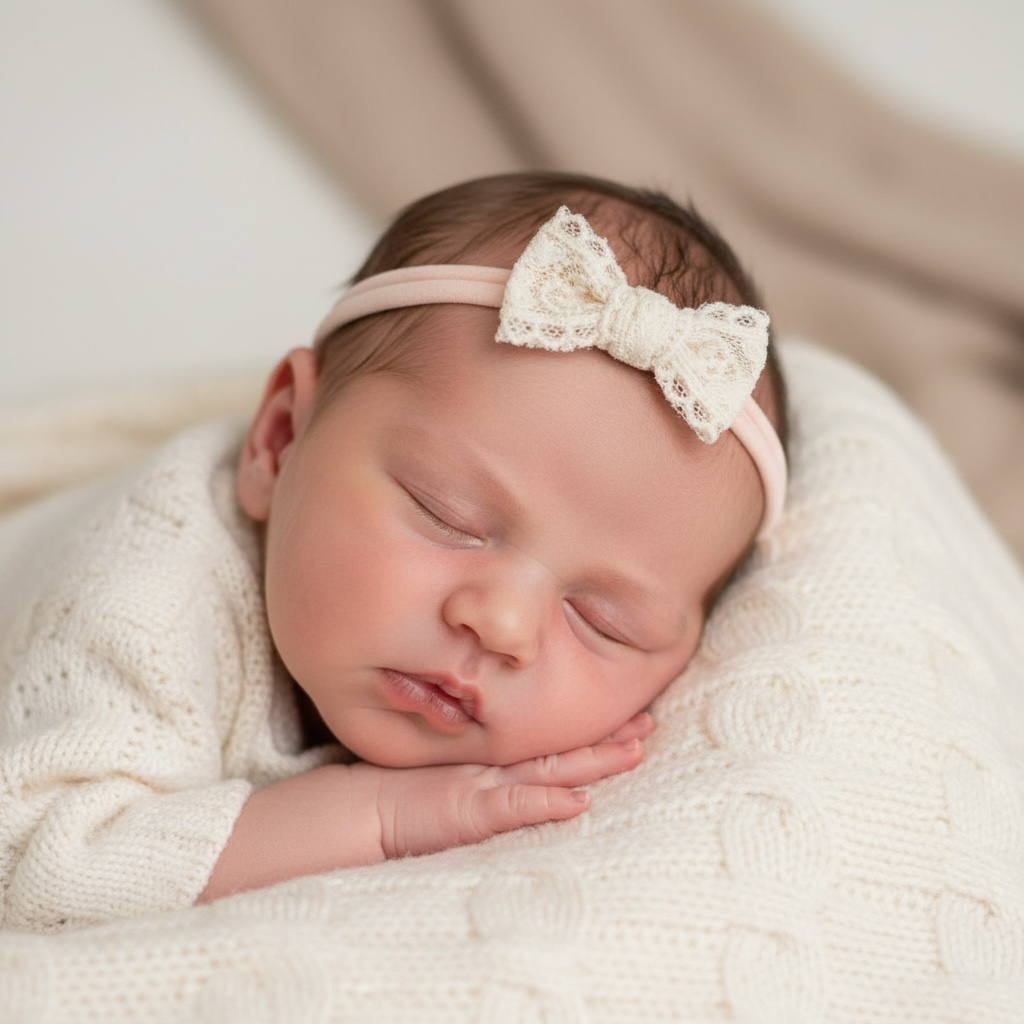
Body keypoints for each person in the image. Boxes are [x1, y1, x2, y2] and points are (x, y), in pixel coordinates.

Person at [0, 172, 788, 929]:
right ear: (278, 443)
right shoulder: (145, 606)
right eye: (447, 516)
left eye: (602, 621)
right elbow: (34, 868)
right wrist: (377, 817)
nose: (503, 624)